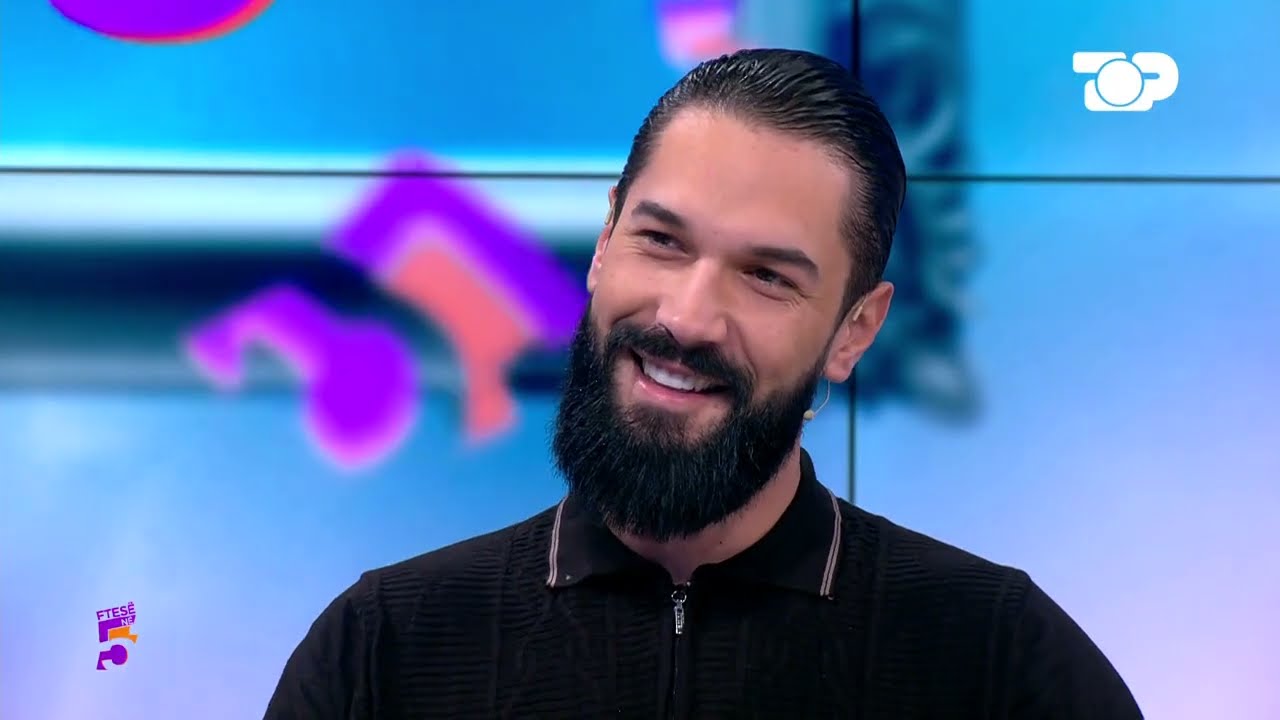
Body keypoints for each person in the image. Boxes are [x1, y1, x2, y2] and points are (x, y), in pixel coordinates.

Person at [263, 48, 1143, 719]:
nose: (686, 319)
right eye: (662, 241)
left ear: (855, 330)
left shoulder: (1000, 662)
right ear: (605, 241)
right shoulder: (384, 649)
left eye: (767, 276)